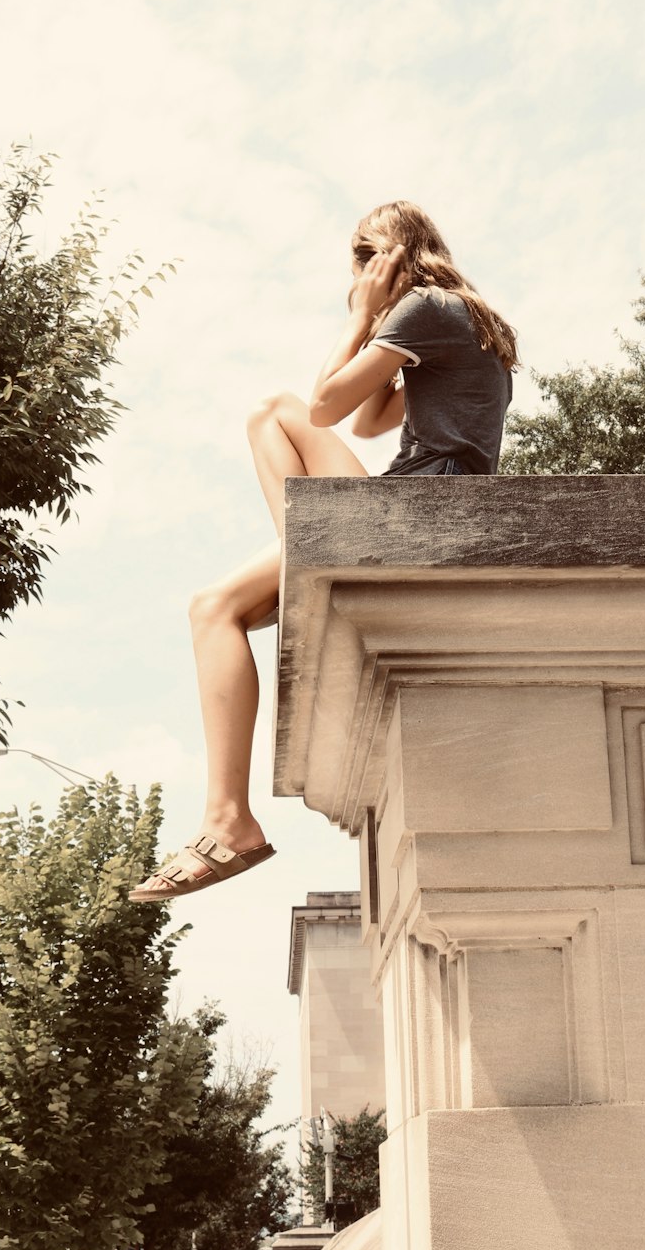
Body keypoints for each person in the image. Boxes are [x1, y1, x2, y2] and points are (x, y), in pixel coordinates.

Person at [128, 201, 518, 902]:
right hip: (428, 508)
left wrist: (358, 317)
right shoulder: (465, 321)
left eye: (368, 259)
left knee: (270, 412)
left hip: (416, 515)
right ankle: (229, 818)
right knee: (214, 608)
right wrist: (374, 325)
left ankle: (230, 815)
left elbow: (324, 407)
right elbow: (372, 414)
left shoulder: (428, 304)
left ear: (397, 254)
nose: (360, 276)